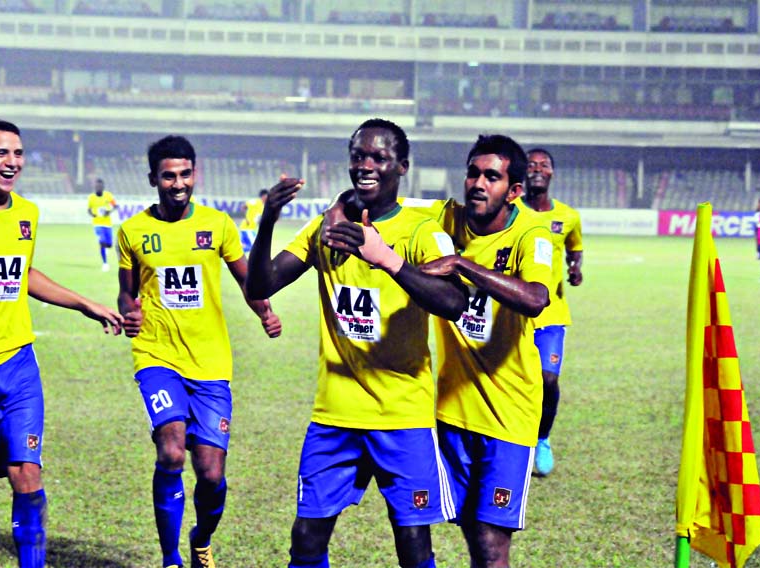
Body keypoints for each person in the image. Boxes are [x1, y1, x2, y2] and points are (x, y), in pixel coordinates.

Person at [245, 118, 467, 568]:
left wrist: (387, 260)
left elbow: (454, 301)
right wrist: (268, 218)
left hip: (402, 414)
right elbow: (261, 283)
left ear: (401, 166)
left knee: (412, 543)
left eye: (379, 158)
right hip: (336, 413)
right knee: (306, 537)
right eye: (358, 156)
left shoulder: (421, 231)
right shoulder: (326, 228)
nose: (366, 165)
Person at [0, 119, 124, 568]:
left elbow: (22, 275)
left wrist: (83, 304)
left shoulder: (26, 213)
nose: (11, 162)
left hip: (17, 364)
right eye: (1, 153)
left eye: (17, 153)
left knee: (28, 475)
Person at [116, 135, 282, 568]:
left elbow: (248, 280)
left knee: (211, 474)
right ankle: (171, 559)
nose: (177, 183)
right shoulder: (132, 232)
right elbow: (125, 293)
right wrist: (129, 312)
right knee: (171, 450)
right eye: (168, 176)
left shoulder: (218, 225)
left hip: (210, 364)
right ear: (153, 178)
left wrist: (264, 312)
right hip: (157, 358)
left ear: (195, 174)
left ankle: (200, 538)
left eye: (185, 174)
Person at [398, 134, 553, 568]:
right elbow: (395, 211)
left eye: (492, 176)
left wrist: (463, 264)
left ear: (515, 190)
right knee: (469, 528)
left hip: (508, 414)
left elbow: (536, 297)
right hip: (451, 410)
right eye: (472, 173)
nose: (478, 184)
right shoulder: (445, 219)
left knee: (491, 544)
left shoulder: (532, 234)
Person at [517, 147, 583, 477]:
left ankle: (541, 440)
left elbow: (575, 245)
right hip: (513, 311)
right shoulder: (511, 210)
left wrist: (576, 267)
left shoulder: (568, 216)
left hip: (552, 313)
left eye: (544, 165)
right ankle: (515, 440)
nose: (537, 169)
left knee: (548, 378)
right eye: (531, 165)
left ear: (552, 173)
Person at [87, 177, 117, 271]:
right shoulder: (91, 197)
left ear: (103, 187)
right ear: (95, 187)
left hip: (107, 224)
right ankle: (105, 263)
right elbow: (89, 209)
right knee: (102, 242)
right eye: (97, 186)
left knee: (109, 244)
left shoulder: (108, 196)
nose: (98, 188)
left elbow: (115, 206)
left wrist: (109, 211)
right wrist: (92, 214)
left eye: (100, 186)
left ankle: (106, 248)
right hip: (97, 224)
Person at [238, 188, 268, 254]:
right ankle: (236, 252)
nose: (268, 198)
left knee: (249, 246)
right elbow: (243, 207)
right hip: (247, 228)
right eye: (267, 196)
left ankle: (236, 254)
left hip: (251, 229)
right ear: (263, 196)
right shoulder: (256, 202)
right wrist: (246, 218)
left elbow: (258, 219)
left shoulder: (263, 206)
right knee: (255, 246)